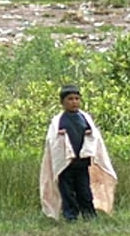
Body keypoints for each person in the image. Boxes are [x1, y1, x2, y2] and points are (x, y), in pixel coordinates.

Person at [40, 84, 117, 221]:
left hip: (82, 163)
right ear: (62, 102)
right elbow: (53, 141)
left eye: (77, 99)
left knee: (84, 192)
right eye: (70, 99)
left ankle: (89, 215)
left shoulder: (85, 118)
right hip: (66, 164)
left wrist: (89, 134)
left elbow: (94, 137)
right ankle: (71, 217)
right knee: (67, 192)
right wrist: (61, 136)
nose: (74, 102)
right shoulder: (58, 120)